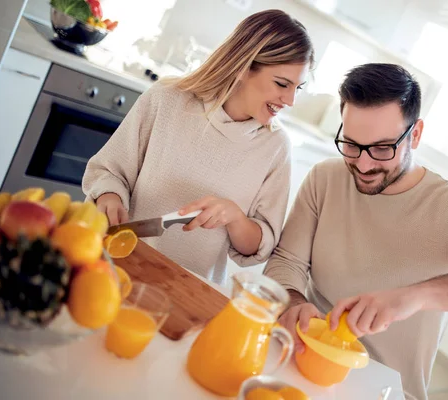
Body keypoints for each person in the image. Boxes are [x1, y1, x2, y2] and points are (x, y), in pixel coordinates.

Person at [263, 63, 448, 400]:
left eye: (382, 148)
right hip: (299, 360)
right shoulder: (326, 178)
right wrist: (294, 301)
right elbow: (287, 260)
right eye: (351, 144)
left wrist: (415, 296)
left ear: (415, 135)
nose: (363, 164)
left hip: (382, 390)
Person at [82, 10, 314, 284]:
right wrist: (109, 198)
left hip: (191, 290)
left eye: (298, 88)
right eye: (282, 84)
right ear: (243, 65)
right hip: (114, 266)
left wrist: (234, 217)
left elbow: (258, 246)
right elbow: (108, 171)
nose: (290, 101)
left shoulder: (275, 147)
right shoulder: (165, 100)